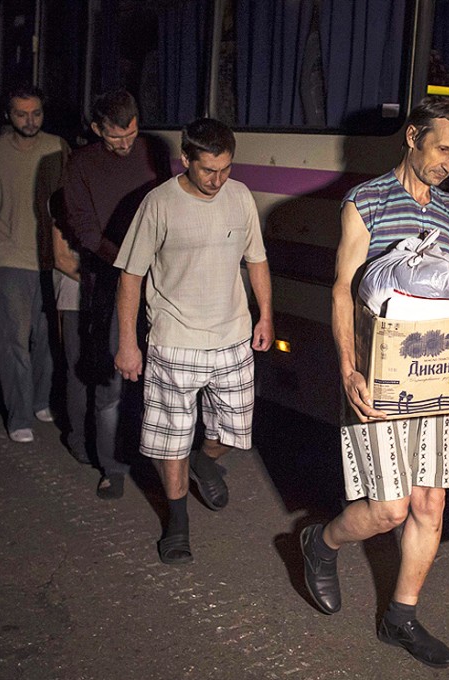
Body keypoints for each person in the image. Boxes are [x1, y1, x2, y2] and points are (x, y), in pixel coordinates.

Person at [300, 96, 449, 669]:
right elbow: (343, 288)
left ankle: (402, 617)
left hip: (434, 376)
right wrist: (347, 369)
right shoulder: (364, 202)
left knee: (431, 504)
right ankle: (321, 542)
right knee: (389, 509)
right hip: (378, 377)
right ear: (413, 135)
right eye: (442, 148)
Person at [113, 118, 273, 565]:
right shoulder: (158, 203)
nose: (217, 180)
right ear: (186, 160)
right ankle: (178, 522)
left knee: (235, 430)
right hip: (175, 340)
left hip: (232, 337)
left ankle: (206, 461)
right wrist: (129, 342)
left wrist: (266, 316)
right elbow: (130, 275)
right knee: (171, 440)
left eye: (225, 169)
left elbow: (256, 259)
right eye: (208, 170)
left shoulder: (239, 196)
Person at [58, 89, 168, 497]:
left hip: (161, 278)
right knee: (113, 380)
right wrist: (128, 263)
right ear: (96, 129)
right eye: (115, 138)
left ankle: (163, 458)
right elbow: (85, 229)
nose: (124, 145)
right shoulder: (80, 164)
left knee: (162, 376)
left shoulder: (152, 151)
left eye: (131, 134)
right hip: (110, 278)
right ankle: (112, 466)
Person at [0, 85, 68, 443]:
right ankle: (19, 415)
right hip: (6, 258)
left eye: (36, 113)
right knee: (13, 342)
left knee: (48, 339)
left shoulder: (56, 148)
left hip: (50, 260)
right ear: (9, 115)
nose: (30, 120)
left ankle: (40, 400)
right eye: (22, 114)